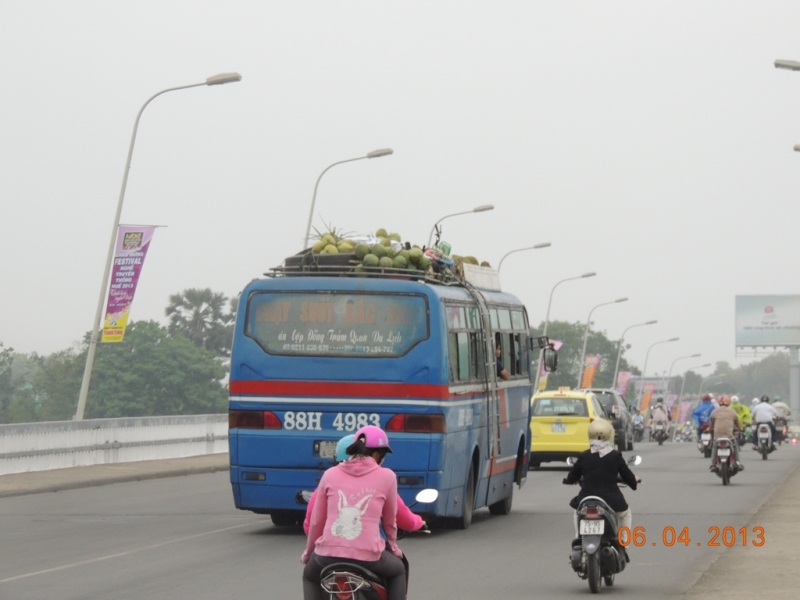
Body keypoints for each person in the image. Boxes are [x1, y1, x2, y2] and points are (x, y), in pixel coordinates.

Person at [301, 426, 406, 600]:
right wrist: (393, 548)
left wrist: (308, 553)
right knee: (398, 570)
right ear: (378, 454)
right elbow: (390, 523)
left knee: (309, 576)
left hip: (327, 556)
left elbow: (316, 522)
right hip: (369, 557)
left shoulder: (330, 474)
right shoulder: (387, 477)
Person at [303, 435, 425, 536]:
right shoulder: (380, 483)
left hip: (327, 551)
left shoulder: (328, 479)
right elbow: (404, 519)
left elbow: (310, 526)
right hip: (370, 553)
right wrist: (419, 522)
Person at [562, 419, 640, 559]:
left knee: (577, 511)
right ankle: (623, 545)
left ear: (590, 435)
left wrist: (570, 481)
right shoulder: (615, 455)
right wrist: (635, 480)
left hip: (586, 500)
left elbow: (572, 476)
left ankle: (580, 539)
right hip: (612, 502)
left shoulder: (584, 456)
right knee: (625, 513)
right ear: (609, 435)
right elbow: (628, 476)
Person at [708, 395, 743, 471]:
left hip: (717, 436)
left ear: (719, 402)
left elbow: (711, 426)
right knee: (735, 446)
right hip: (729, 436)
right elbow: (738, 424)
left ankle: (713, 464)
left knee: (714, 446)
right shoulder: (733, 412)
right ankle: (738, 463)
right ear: (728, 402)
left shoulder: (714, 412)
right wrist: (740, 429)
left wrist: (709, 429)